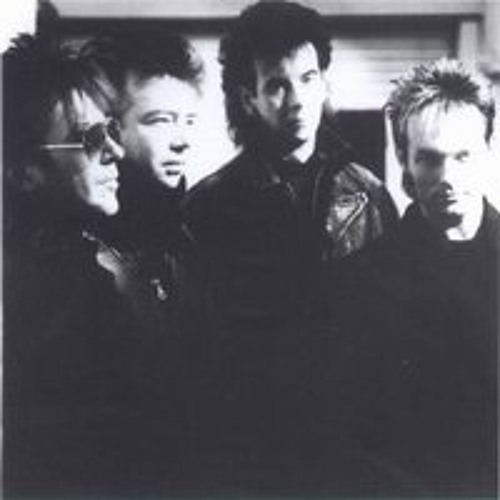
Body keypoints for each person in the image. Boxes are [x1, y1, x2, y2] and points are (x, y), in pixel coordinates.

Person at [182, 0, 398, 492]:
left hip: (346, 444)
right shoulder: (207, 206)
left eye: (307, 78)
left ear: (323, 83)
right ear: (248, 98)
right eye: (277, 85)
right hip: (247, 449)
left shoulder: (369, 194)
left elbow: (388, 336)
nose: (297, 99)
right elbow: (197, 348)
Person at [332, 58, 499, 496]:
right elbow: (359, 439)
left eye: (463, 156)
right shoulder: (363, 281)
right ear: (404, 162)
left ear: (488, 149)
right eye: (429, 159)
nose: (448, 178)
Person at [2, 30, 153, 497]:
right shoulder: (43, 293)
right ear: (23, 172)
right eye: (89, 138)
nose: (116, 151)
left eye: (110, 129)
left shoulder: (87, 261)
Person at [80, 32, 205, 491]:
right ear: (110, 131)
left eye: (188, 121)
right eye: (159, 121)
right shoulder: (80, 255)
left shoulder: (191, 236)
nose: (182, 141)